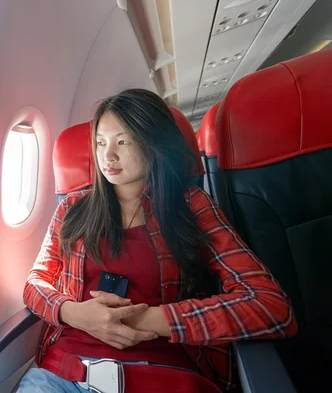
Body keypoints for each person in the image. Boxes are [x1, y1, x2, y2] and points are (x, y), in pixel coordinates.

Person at [18, 89, 297, 392]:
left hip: (165, 376)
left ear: (154, 144)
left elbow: (270, 305)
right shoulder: (71, 209)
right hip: (64, 374)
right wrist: (73, 313)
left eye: (123, 141)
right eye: (100, 142)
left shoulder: (191, 206)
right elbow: (35, 284)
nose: (107, 156)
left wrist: (149, 319)